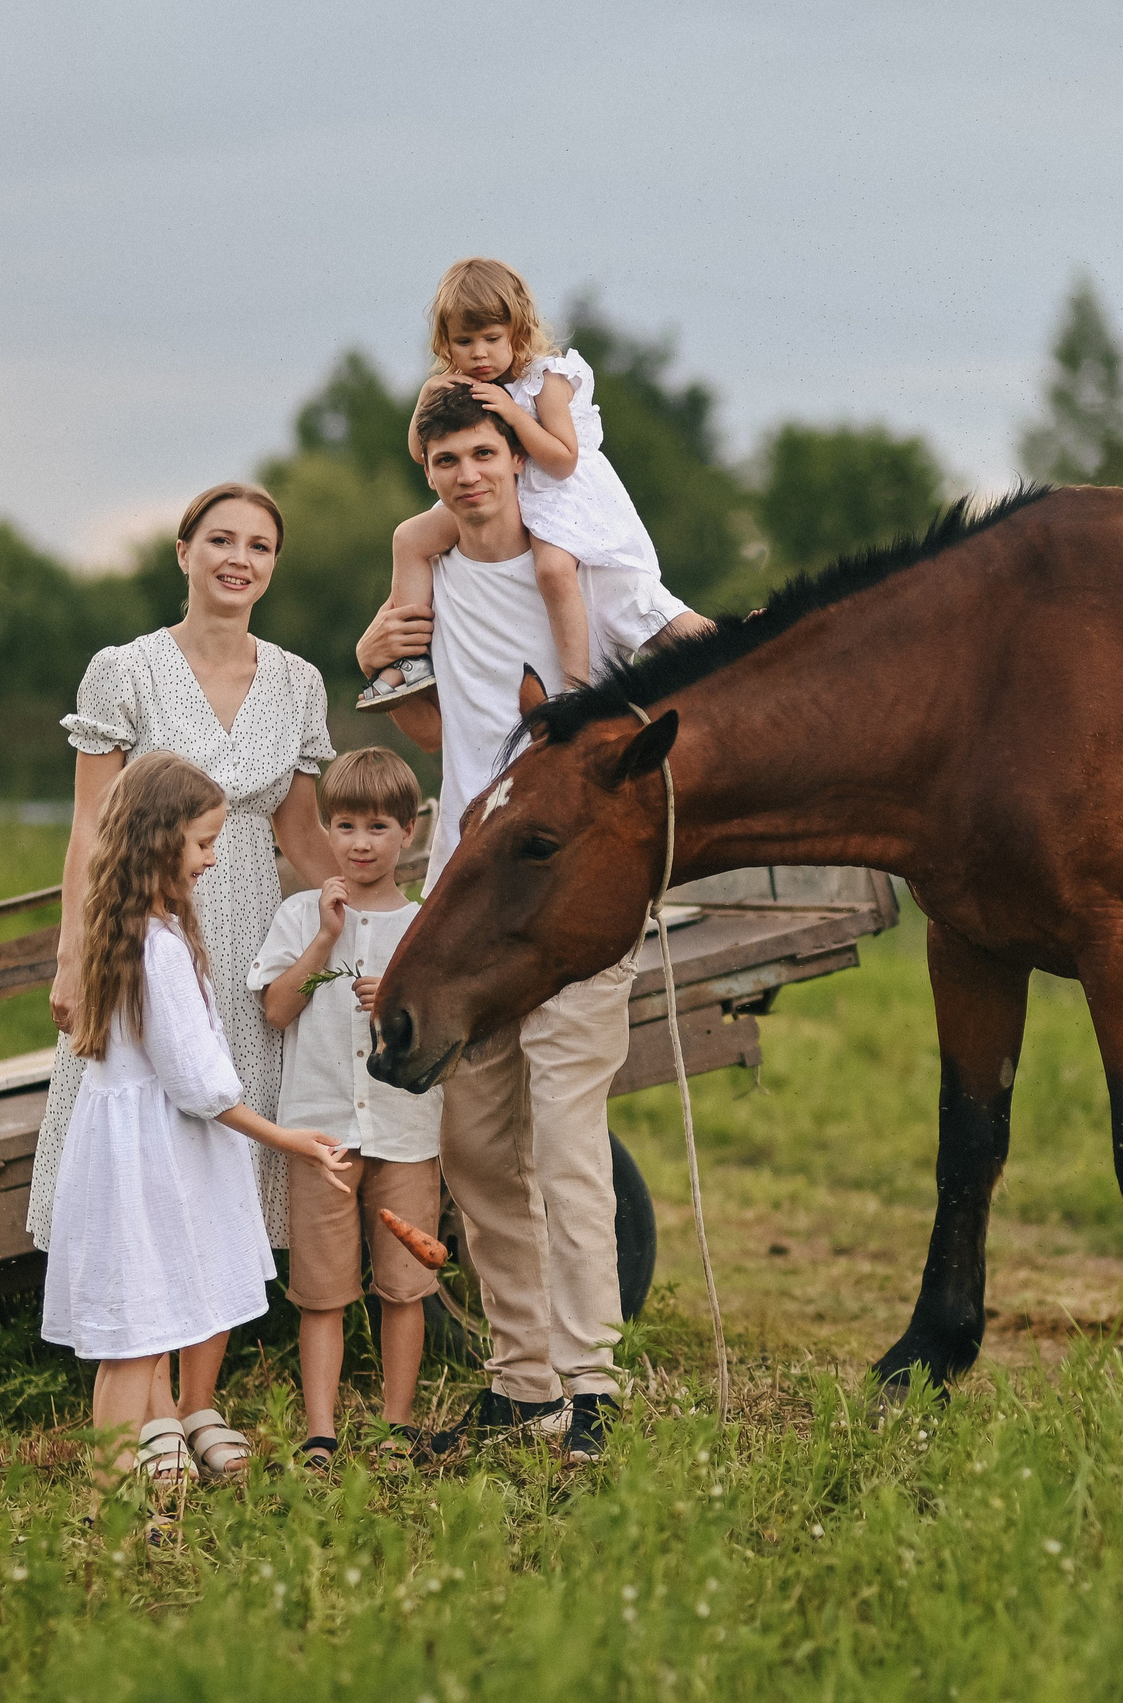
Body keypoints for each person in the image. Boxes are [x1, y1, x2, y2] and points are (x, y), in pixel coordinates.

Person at [357, 383, 708, 1465]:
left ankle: (592, 1386)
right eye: (448, 461)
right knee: (472, 1142)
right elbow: (421, 721)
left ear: (515, 458)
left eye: (483, 454)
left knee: (565, 1140)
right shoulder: (433, 583)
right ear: (431, 476)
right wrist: (377, 649)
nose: (468, 475)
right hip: (472, 899)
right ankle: (522, 1383)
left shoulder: (576, 572)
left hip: (561, 905)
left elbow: (649, 667)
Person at [27, 481, 342, 1483]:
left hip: (249, 927)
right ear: (183, 550)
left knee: (226, 1159)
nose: (238, 558)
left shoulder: (295, 681)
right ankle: (146, 1399)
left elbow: (299, 830)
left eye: (258, 544)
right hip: (144, 925)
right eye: (220, 539)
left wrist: (356, 916)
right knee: (146, 1160)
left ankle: (199, 1402)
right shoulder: (125, 670)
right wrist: (77, 952)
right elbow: (89, 825)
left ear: (273, 564)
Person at [38, 751, 353, 1496]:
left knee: (143, 1335)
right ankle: (111, 1498)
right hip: (153, 1158)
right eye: (205, 842)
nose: (214, 858)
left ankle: (143, 1485)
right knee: (136, 1344)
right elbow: (198, 1083)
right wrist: (288, 1139)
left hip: (124, 1147)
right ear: (160, 840)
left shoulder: (119, 931)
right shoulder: (159, 949)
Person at [356, 256, 676, 711]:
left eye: (491, 339)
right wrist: (427, 399)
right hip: (496, 491)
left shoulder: (544, 380)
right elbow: (418, 451)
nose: (479, 354)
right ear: (446, 343)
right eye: (464, 342)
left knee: (554, 571)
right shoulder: (455, 384)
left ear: (517, 332)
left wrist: (510, 412)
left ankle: (575, 686)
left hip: (554, 491)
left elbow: (564, 460)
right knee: (409, 538)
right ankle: (412, 661)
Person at [248, 746, 444, 1467]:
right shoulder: (301, 915)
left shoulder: (424, 925)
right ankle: (321, 1432)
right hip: (320, 1133)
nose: (362, 843)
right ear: (327, 831)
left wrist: (398, 998)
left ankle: (395, 1428)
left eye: (379, 827)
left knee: (403, 1284)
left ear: (409, 832)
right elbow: (275, 1009)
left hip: (406, 1130)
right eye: (346, 825)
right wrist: (327, 937)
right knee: (322, 1290)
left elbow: (441, 1027)